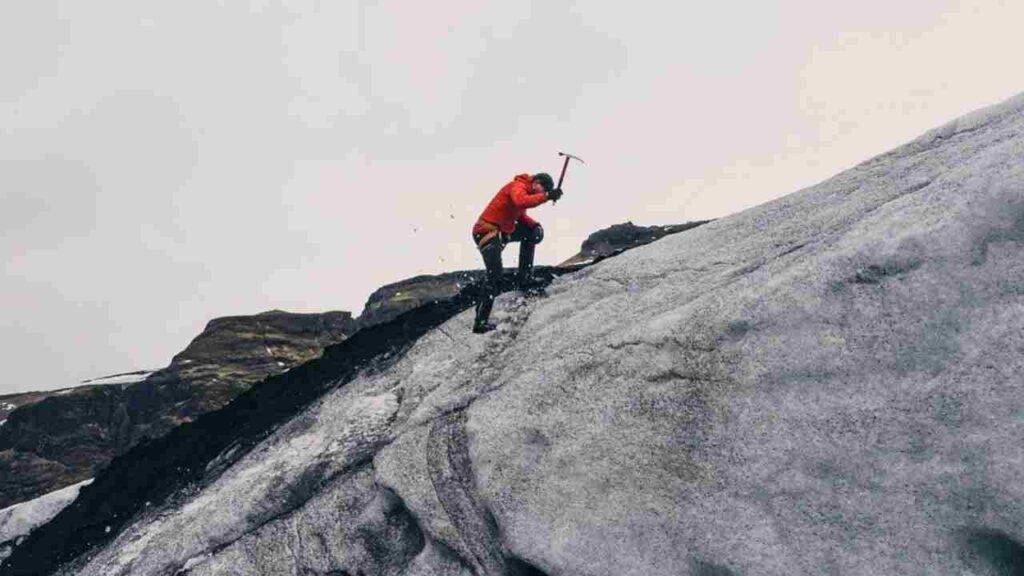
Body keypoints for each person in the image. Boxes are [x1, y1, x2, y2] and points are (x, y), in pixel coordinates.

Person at [470, 172, 563, 334]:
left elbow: (520, 215)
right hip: (486, 232)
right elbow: (520, 201)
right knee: (495, 275)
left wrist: (536, 226)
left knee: (531, 233)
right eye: (542, 189)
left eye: (544, 191)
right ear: (536, 182)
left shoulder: (525, 191)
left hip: (500, 232)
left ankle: (524, 278)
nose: (541, 193)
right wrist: (547, 196)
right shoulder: (517, 187)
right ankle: (480, 322)